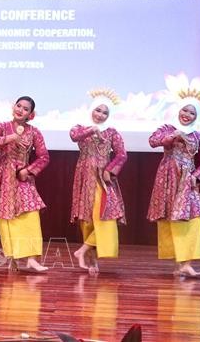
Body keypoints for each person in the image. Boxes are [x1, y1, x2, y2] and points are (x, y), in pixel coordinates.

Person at [0, 96, 50, 272]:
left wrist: (29, 170)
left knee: (31, 214)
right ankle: (12, 257)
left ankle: (33, 258)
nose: (21, 110)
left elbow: (44, 157)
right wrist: (10, 137)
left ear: (30, 114)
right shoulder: (1, 127)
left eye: (26, 109)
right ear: (13, 107)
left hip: (22, 175)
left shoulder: (34, 132)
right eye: (19, 106)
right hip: (2, 175)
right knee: (7, 217)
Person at [147, 89, 200, 278]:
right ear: (178, 110)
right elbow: (152, 141)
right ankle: (180, 263)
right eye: (185, 111)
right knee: (172, 217)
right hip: (167, 178)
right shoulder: (167, 128)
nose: (187, 115)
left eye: (192, 113)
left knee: (194, 217)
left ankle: (187, 263)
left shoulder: (198, 136)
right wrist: (171, 137)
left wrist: (197, 176)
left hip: (187, 179)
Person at [70, 89, 127, 274]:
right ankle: (92, 260)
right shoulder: (80, 127)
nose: (101, 115)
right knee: (87, 219)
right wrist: (90, 130)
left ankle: (83, 250)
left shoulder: (112, 132)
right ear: (91, 110)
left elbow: (121, 154)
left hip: (103, 177)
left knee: (105, 216)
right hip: (84, 174)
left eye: (105, 112)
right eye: (98, 110)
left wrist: (110, 170)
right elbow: (74, 136)